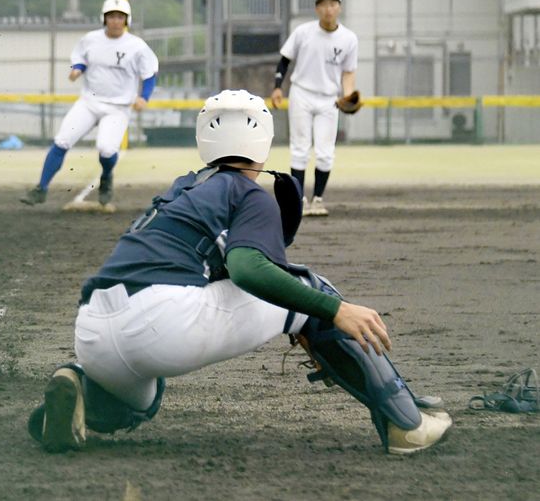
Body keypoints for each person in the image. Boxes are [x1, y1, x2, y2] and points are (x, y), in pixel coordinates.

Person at [27, 89, 451, 455]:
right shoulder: (248, 192)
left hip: (93, 332)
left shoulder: (181, 189)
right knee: (309, 290)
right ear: (263, 139)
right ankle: (405, 424)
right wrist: (333, 311)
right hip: (160, 322)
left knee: (143, 400)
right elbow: (248, 270)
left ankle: (80, 391)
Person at [20, 0, 159, 208]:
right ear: (104, 18)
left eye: (120, 16)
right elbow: (81, 58)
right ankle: (41, 188)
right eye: (111, 16)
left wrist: (144, 97)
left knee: (106, 149)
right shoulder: (90, 39)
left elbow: (149, 74)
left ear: (127, 20)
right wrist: (78, 69)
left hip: (118, 107)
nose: (115, 20)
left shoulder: (137, 46)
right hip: (89, 102)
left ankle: (106, 176)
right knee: (62, 140)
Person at [271, 0, 358, 217]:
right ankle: (299, 199)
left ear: (339, 7)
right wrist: (278, 87)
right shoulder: (303, 32)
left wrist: (348, 94)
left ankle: (317, 199)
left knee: (325, 152)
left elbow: (348, 72)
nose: (328, 9)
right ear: (317, 8)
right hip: (302, 93)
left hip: (329, 98)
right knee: (299, 149)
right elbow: (284, 60)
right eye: (323, 4)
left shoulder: (349, 38)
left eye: (332, 4)